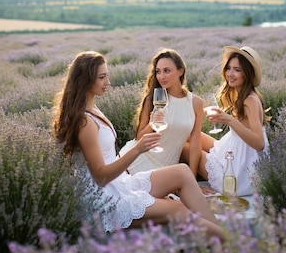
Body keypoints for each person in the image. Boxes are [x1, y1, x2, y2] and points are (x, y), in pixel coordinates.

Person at [52, 51, 225, 240]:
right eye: (102, 77)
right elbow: (101, 177)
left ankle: (223, 236)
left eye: (107, 76)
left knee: (182, 172)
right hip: (104, 198)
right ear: (85, 80)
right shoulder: (84, 122)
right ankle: (230, 243)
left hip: (120, 184)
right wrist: (137, 149)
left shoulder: (93, 109)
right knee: (179, 209)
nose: (107, 82)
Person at [185, 46, 271, 196]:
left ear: (247, 74)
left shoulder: (250, 100)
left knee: (184, 147)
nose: (230, 74)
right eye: (229, 68)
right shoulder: (244, 94)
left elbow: (259, 143)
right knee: (186, 135)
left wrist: (230, 120)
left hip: (239, 171)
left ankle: (187, 183)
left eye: (237, 70)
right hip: (233, 150)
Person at [119, 48, 204, 177]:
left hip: (167, 169)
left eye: (167, 71)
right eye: (158, 72)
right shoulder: (152, 98)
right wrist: (151, 123)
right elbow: (139, 138)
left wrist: (191, 177)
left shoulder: (196, 102)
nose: (161, 77)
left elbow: (195, 145)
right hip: (138, 162)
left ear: (180, 71)